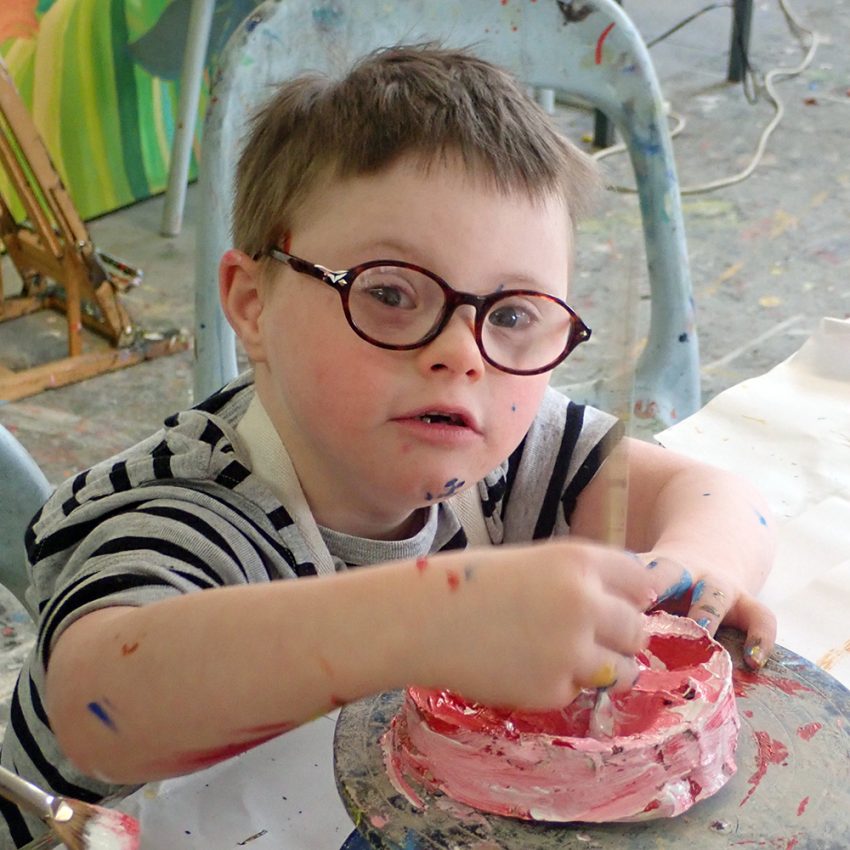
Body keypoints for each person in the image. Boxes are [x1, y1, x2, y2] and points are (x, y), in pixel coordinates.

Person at [0, 45, 776, 847]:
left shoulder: (505, 452)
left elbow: (723, 497)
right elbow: (102, 709)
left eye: (511, 315)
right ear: (252, 303)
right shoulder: (193, 508)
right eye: (392, 294)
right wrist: (432, 620)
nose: (463, 353)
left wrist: (687, 575)